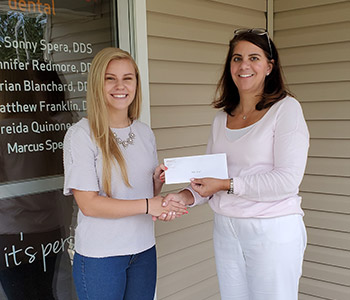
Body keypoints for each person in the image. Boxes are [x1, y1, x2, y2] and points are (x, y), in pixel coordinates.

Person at [162, 28, 309, 300]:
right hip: (226, 230)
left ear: (269, 66)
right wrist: (181, 196)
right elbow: (209, 180)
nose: (244, 66)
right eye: (237, 58)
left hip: (271, 230)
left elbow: (286, 181)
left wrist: (226, 184)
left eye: (254, 58)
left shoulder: (286, 109)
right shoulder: (221, 119)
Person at [63, 47, 187, 300]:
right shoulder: (81, 135)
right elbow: (89, 205)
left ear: (136, 84)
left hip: (143, 250)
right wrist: (148, 205)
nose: (120, 86)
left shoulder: (144, 133)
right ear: (98, 83)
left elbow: (143, 198)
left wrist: (155, 186)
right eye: (111, 78)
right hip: (102, 257)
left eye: (127, 78)